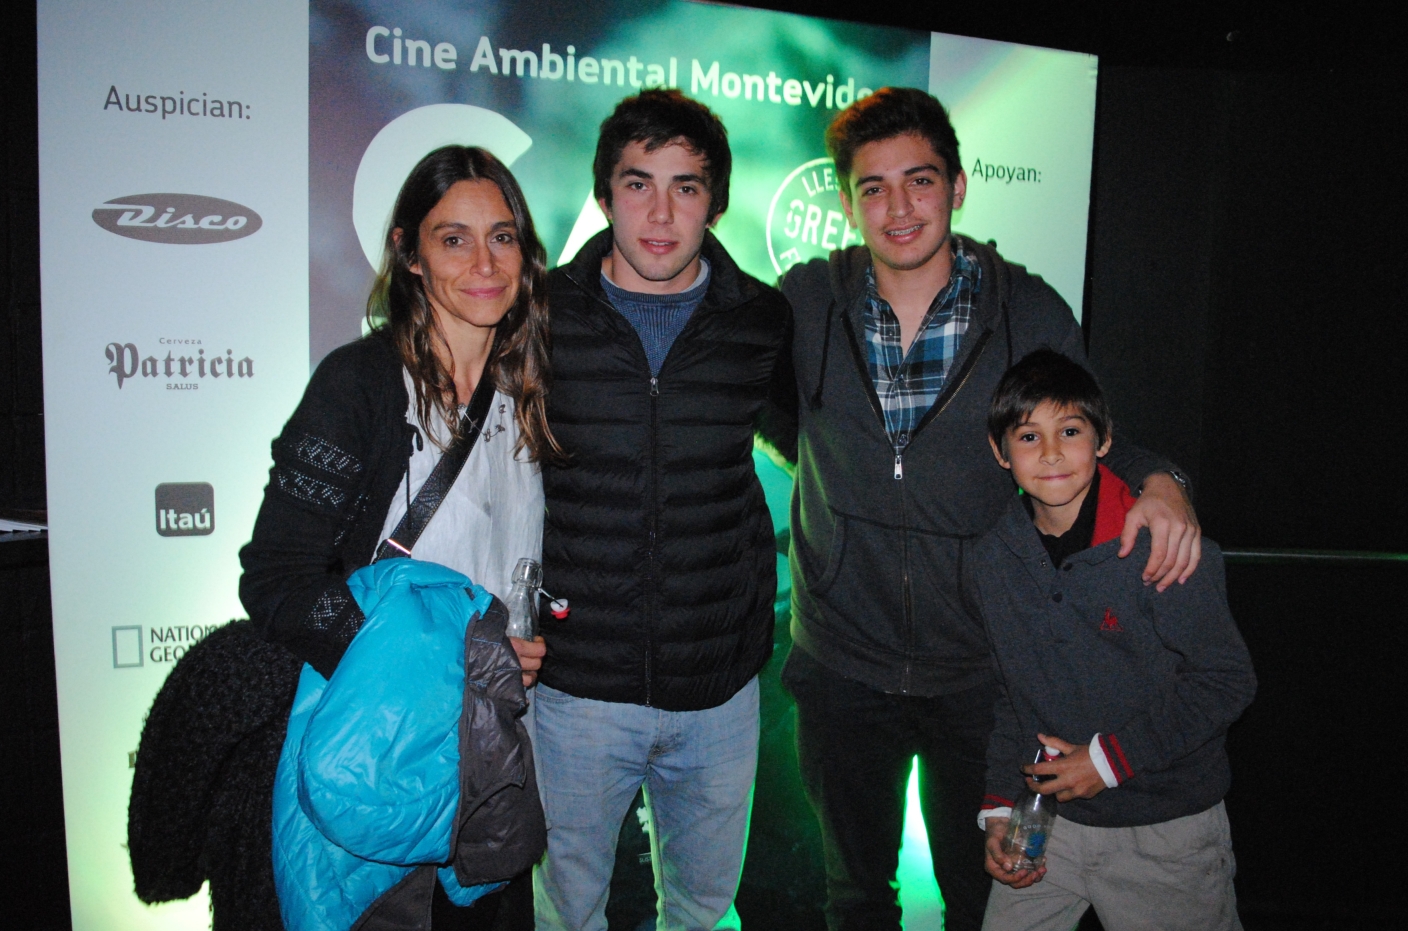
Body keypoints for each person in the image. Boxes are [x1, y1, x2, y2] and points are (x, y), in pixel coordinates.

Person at [777, 87, 1201, 930]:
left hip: (983, 671)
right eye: (873, 187)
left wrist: (1165, 482)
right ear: (846, 198)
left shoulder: (1027, 309)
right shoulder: (805, 303)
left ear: (960, 186)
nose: (899, 208)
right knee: (854, 896)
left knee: (987, 894)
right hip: (842, 665)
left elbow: (1092, 430)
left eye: (921, 181)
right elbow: (754, 408)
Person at [239, 144, 557, 926]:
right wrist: (434, 660)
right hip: (383, 767)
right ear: (409, 256)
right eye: (453, 239)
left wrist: (525, 639)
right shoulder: (360, 385)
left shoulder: (533, 392)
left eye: (503, 236)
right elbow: (275, 578)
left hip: (492, 766)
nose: (483, 262)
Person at [532, 89, 796, 931]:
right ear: (604, 192)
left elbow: (826, 447)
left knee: (702, 909)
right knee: (563, 908)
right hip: (577, 688)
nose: (659, 212)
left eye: (685, 186)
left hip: (717, 687)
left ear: (713, 200)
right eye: (637, 183)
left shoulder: (760, 319)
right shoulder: (540, 314)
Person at [972, 348, 1255, 930]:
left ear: (1103, 442)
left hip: (1166, 832)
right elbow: (1010, 692)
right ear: (1000, 453)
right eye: (1028, 437)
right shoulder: (993, 559)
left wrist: (1107, 761)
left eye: (1070, 430)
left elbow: (1226, 680)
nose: (1051, 452)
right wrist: (1001, 806)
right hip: (1047, 823)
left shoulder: (1162, 546)